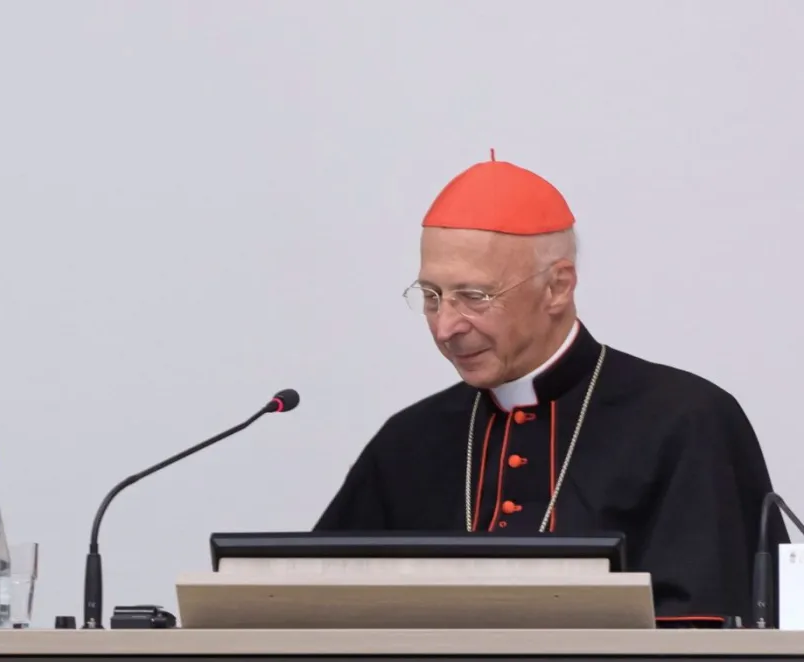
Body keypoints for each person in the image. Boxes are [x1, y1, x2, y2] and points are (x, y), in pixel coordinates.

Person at [315, 153, 787, 626]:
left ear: (557, 287)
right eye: (432, 297)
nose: (445, 328)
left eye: (474, 297)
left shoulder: (687, 421)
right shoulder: (408, 441)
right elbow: (314, 611)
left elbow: (714, 637)